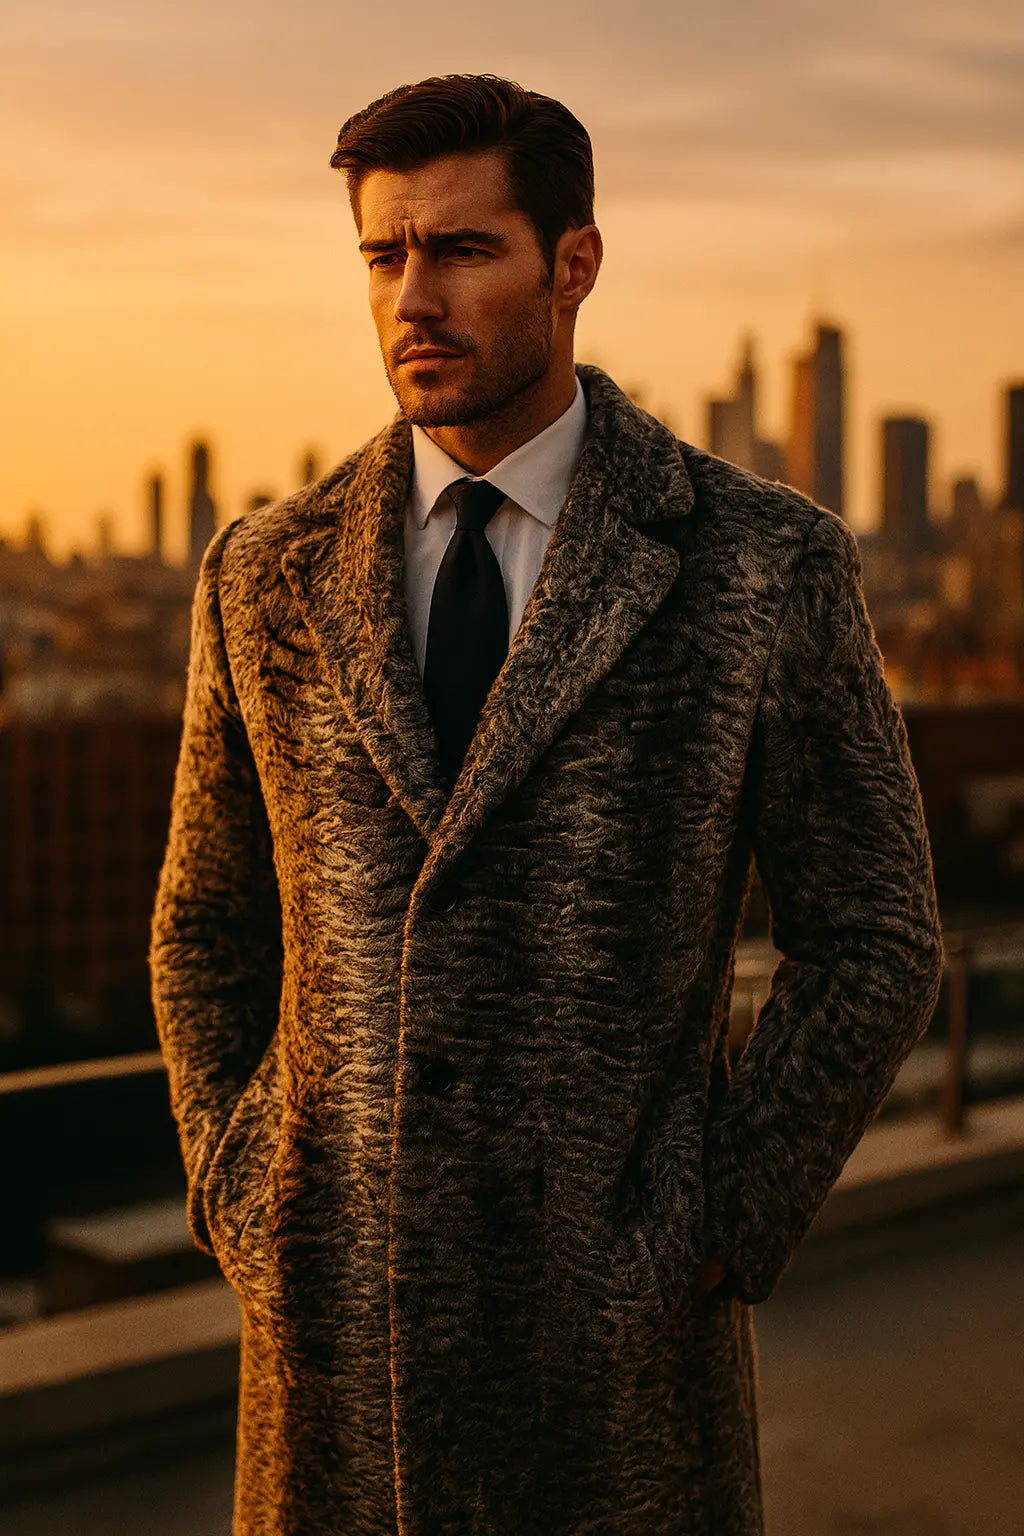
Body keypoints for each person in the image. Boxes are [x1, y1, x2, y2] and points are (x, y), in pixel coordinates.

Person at [149, 71, 945, 1536]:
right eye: (384, 256)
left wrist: (705, 1229)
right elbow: (206, 924)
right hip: (335, 1376)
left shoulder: (757, 562)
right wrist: (248, 1190)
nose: (413, 297)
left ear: (573, 262)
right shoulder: (263, 575)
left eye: (461, 250)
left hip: (617, 1391)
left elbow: (878, 936)